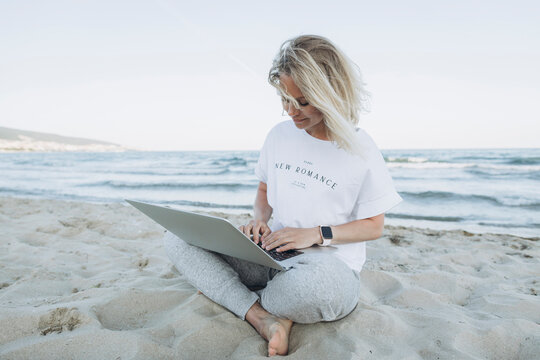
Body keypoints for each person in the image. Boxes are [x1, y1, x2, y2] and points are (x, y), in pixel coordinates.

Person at [163, 34, 402, 357]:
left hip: (328, 267)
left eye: (302, 101)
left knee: (316, 290)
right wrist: (258, 223)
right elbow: (264, 190)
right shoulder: (278, 136)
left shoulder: (360, 148)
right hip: (270, 255)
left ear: (330, 94)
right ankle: (261, 316)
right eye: (285, 99)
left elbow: (374, 225)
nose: (291, 111)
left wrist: (315, 235)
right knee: (176, 238)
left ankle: (246, 300)